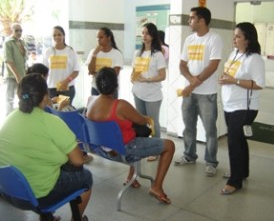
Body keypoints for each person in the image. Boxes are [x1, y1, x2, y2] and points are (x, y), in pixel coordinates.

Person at [0, 73, 92, 221]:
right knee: (86, 176)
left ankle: (47, 217)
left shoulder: (8, 119)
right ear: (45, 97)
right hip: (38, 196)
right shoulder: (52, 122)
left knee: (40, 166)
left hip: (8, 190)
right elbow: (78, 161)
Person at [86, 67, 175, 204]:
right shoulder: (120, 105)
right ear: (116, 85)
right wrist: (144, 117)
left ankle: (131, 176)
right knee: (169, 145)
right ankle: (156, 187)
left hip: (100, 149)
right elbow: (140, 120)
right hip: (124, 151)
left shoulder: (91, 100)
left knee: (135, 133)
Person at [174, 7, 223, 177]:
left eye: (192, 18)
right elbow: (182, 64)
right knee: (189, 127)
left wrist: (193, 83)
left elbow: (213, 65)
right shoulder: (189, 39)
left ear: (201, 20)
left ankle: (211, 162)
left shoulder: (214, 39)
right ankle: (189, 155)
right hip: (189, 92)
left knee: (210, 130)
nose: (189, 21)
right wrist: (191, 80)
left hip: (207, 94)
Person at [218, 22, 265, 194]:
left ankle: (235, 181)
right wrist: (225, 78)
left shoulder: (254, 59)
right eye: (234, 36)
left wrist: (233, 81)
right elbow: (231, 74)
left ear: (248, 40)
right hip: (230, 104)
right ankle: (242, 171)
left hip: (245, 107)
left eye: (238, 36)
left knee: (233, 142)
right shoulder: (235, 54)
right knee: (239, 140)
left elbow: (259, 84)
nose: (234, 39)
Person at [26, 63, 94, 164]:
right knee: (73, 113)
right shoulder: (42, 92)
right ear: (42, 76)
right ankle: (81, 152)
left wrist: (52, 101)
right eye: (47, 76)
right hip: (52, 132)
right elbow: (50, 117)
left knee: (74, 111)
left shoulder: (28, 90)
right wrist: (61, 106)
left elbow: (45, 108)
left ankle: (81, 151)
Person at [131, 23, 167, 162]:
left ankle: (156, 149)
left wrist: (148, 79)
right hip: (138, 92)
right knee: (141, 122)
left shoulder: (157, 54)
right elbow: (135, 71)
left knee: (153, 122)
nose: (144, 36)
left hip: (153, 94)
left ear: (152, 35)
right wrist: (133, 77)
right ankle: (144, 148)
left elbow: (162, 75)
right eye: (142, 33)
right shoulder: (137, 53)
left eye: (146, 33)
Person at [42, 26, 80, 105]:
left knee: (64, 111)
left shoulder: (70, 51)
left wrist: (66, 81)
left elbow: (76, 71)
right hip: (51, 89)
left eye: (59, 35)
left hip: (67, 89)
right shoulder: (48, 52)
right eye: (54, 35)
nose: (57, 37)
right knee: (53, 112)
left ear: (64, 36)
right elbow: (44, 72)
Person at [86, 27, 123, 97]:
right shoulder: (93, 52)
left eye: (101, 37)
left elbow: (114, 75)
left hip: (111, 90)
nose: (98, 40)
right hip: (95, 88)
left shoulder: (117, 54)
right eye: (97, 37)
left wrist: (96, 74)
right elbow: (91, 71)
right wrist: (94, 54)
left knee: (110, 108)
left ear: (108, 38)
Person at [3, 23, 28, 115]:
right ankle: (8, 120)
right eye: (16, 30)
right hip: (11, 76)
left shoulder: (22, 42)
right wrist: (17, 76)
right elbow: (8, 61)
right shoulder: (8, 43)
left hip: (22, 76)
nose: (19, 32)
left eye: (20, 30)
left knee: (23, 97)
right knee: (10, 99)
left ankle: (22, 116)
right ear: (12, 31)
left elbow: (24, 59)